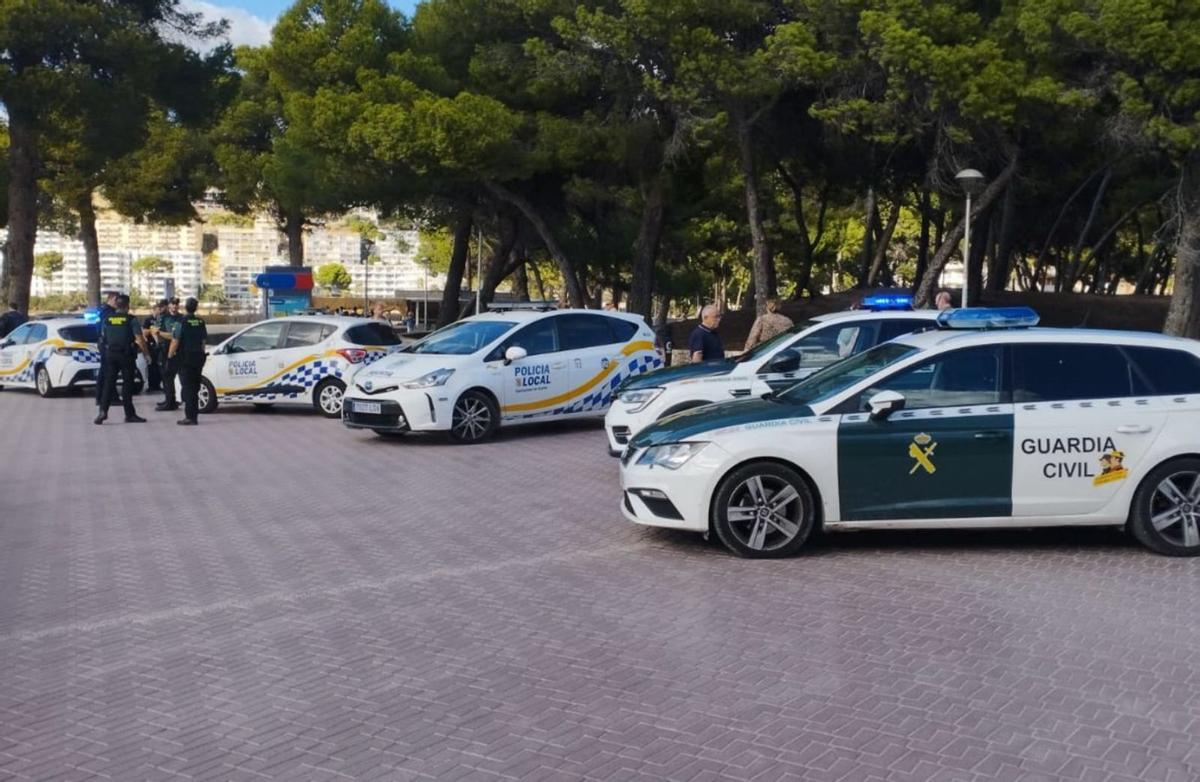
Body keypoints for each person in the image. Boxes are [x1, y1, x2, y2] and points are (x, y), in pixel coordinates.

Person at [95, 294, 152, 425]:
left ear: (117, 305)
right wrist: (146, 354)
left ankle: (103, 411)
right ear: (127, 306)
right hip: (126, 356)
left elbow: (102, 337)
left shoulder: (107, 319)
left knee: (109, 384)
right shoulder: (131, 320)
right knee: (127, 384)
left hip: (110, 354)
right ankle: (129, 414)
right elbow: (139, 338)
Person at [168, 298, 208, 425]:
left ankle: (190, 417)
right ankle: (194, 415)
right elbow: (203, 342)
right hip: (198, 358)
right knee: (195, 387)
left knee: (188, 387)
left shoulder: (181, 322)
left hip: (185, 359)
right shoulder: (200, 322)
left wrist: (170, 356)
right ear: (196, 308)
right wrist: (201, 355)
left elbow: (175, 341)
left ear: (185, 307)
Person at [154, 298, 184, 411]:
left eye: (176, 305)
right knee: (166, 377)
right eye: (172, 304)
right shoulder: (164, 317)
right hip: (164, 349)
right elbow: (156, 333)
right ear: (169, 306)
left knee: (171, 376)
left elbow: (175, 336)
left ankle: (172, 401)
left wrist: (161, 333)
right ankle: (169, 399)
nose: (175, 307)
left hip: (177, 350)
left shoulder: (182, 318)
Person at [94, 290, 121, 411]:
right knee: (108, 371)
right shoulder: (108, 313)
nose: (117, 302)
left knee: (105, 371)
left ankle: (101, 397)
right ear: (110, 299)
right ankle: (109, 397)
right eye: (116, 300)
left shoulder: (103, 311)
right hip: (106, 345)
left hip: (103, 343)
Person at [142, 300, 167, 392]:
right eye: (158, 309)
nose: (159, 311)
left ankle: (159, 384)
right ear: (154, 310)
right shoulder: (148, 319)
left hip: (160, 345)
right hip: (151, 345)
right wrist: (151, 330)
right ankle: (152, 385)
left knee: (160, 366)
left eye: (160, 309)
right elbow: (144, 332)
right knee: (151, 366)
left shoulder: (162, 319)